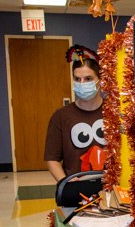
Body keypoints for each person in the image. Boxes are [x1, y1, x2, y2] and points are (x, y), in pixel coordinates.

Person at [44, 45, 107, 182]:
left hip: (111, 186)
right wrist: (66, 181)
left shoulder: (113, 112)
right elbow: (52, 159)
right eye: (77, 79)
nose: (82, 83)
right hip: (76, 186)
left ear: (100, 81)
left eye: (88, 79)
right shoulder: (61, 116)